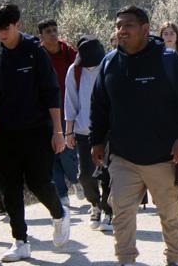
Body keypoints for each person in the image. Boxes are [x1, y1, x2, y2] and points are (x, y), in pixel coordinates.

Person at [90, 6, 178, 266]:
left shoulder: (167, 59)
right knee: (120, 211)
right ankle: (126, 260)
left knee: (170, 213)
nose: (121, 30)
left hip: (164, 157)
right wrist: (97, 140)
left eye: (128, 25)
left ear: (145, 29)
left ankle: (173, 259)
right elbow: (99, 105)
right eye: (119, 25)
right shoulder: (109, 63)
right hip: (122, 156)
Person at [0, 3, 70, 262]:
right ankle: (20, 241)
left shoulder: (34, 53)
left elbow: (51, 93)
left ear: (17, 24)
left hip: (38, 130)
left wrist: (58, 131)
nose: (1, 35)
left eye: (5, 29)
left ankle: (59, 213)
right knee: (8, 189)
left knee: (39, 182)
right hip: (6, 133)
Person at [63, 36, 113, 232]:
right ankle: (95, 204)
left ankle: (108, 211)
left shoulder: (109, 65)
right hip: (84, 130)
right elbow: (70, 101)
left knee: (109, 173)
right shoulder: (74, 71)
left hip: (109, 130)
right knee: (85, 175)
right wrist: (68, 132)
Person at [37, 19, 80, 207]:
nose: (53, 34)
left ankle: (76, 180)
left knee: (67, 151)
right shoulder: (37, 55)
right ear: (42, 36)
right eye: (48, 31)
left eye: (55, 30)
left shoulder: (68, 52)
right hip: (45, 111)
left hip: (67, 109)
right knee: (52, 153)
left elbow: (79, 73)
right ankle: (62, 193)